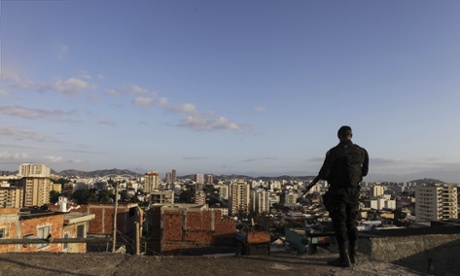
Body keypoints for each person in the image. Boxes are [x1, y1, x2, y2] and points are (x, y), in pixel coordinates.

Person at [306, 125, 369, 267]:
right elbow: (364, 172)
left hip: (338, 193)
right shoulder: (362, 152)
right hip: (354, 193)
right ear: (351, 135)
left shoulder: (333, 152)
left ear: (338, 136)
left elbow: (324, 174)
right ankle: (353, 256)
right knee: (351, 223)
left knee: (340, 224)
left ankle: (344, 258)